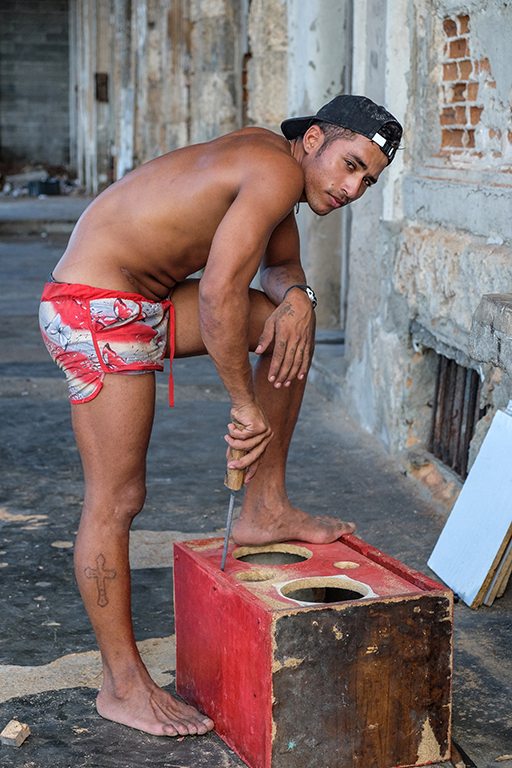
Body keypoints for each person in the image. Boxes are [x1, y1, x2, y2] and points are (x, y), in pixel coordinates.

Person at [39, 94, 403, 738]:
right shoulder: (275, 171)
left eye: (367, 181)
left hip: (142, 304)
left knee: (284, 327)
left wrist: (300, 300)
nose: (352, 189)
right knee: (117, 499)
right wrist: (242, 405)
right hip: (93, 308)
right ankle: (121, 685)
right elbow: (217, 291)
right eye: (350, 165)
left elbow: (281, 269)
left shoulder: (281, 173)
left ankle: (265, 508)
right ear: (313, 140)